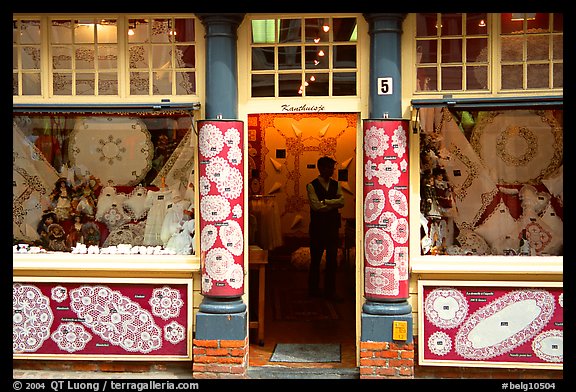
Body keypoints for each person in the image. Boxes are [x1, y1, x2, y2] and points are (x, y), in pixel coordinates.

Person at [306, 156, 345, 301]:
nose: (332, 170)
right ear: (321, 168)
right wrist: (332, 204)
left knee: (332, 261)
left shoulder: (336, 184)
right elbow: (316, 206)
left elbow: (342, 202)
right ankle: (313, 289)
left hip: (332, 228)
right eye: (329, 167)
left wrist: (326, 202)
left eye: (332, 168)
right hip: (317, 228)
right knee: (315, 260)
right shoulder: (311, 185)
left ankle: (330, 291)